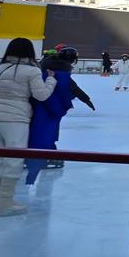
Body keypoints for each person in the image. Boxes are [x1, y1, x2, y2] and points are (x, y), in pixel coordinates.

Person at [0, 38, 57, 216]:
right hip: (16, 118)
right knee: (14, 160)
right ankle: (5, 202)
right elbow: (41, 96)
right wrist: (51, 81)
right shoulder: (32, 71)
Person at [27, 45, 95, 176]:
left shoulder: (47, 62)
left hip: (36, 100)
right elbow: (71, 86)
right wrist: (86, 99)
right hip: (50, 104)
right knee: (48, 130)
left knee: (38, 128)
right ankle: (46, 155)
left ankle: (34, 153)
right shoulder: (62, 67)